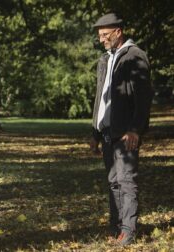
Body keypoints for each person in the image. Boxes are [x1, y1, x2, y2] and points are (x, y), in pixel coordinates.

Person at [90, 13, 153, 246]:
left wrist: (136, 129)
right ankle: (116, 227)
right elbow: (100, 99)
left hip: (126, 134)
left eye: (106, 35)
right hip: (107, 132)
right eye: (100, 36)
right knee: (113, 181)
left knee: (127, 182)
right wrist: (95, 134)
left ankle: (128, 231)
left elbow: (143, 98)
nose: (102, 39)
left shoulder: (135, 57)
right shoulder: (105, 60)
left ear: (119, 32)